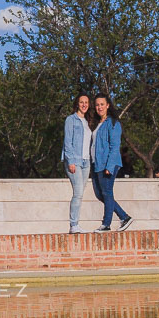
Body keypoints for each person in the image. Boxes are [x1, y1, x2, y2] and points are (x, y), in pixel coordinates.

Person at [90, 95, 133, 232]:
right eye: (97, 105)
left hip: (108, 164)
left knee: (107, 193)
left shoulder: (113, 123)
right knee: (100, 194)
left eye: (102, 104)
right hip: (96, 164)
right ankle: (124, 217)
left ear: (108, 105)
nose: (99, 107)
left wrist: (109, 166)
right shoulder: (98, 124)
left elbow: (115, 146)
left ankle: (106, 224)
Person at [60, 94, 92, 234]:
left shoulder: (88, 122)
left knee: (80, 193)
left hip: (86, 162)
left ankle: (76, 224)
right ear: (77, 104)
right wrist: (71, 161)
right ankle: (74, 225)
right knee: (78, 192)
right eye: (81, 102)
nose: (84, 104)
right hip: (75, 161)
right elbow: (68, 142)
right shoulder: (71, 120)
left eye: (86, 102)